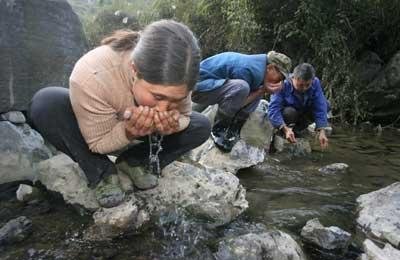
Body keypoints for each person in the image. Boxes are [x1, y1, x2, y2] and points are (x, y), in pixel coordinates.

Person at [28, 20, 211, 208]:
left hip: (141, 135)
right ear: (134, 70)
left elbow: (185, 115)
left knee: (201, 126)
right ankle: (101, 172)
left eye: (175, 99)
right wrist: (129, 131)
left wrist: (171, 126)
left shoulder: (181, 74)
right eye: (157, 96)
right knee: (46, 102)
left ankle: (135, 161)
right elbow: (98, 143)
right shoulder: (92, 73)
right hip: (97, 128)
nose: (164, 109)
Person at [192, 51, 292, 152]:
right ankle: (218, 129)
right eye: (280, 77)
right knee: (242, 87)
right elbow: (238, 103)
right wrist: (262, 90)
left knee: (256, 89)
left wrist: (261, 90)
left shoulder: (259, 68)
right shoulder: (250, 70)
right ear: (270, 67)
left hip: (213, 85)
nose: (279, 81)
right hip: (198, 87)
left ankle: (235, 129)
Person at [268, 63, 329, 149]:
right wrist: (284, 128)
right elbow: (273, 109)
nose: (304, 88)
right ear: (293, 78)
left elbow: (320, 105)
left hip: (303, 113)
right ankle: (283, 132)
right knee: (289, 112)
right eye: (300, 85)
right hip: (287, 116)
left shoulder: (315, 83)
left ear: (312, 80)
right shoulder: (282, 83)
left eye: (307, 85)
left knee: (326, 104)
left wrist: (322, 130)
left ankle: (298, 130)